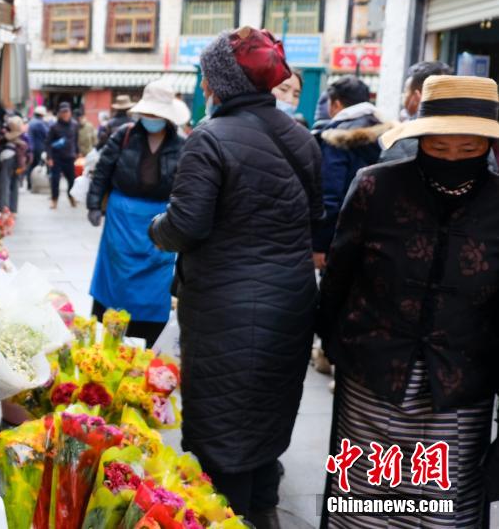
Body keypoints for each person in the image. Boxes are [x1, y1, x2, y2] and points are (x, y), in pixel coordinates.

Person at [148, 27, 323, 526]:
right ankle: (264, 507)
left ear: (220, 81)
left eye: (206, 76)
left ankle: (227, 514)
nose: (203, 86)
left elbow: (185, 226)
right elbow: (314, 218)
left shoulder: (210, 137)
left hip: (226, 305)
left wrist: (155, 227)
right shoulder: (300, 137)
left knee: (219, 419)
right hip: (290, 302)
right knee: (269, 406)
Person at [318, 75, 499, 528]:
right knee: (366, 507)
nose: (452, 159)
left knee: (442, 512)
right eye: (439, 149)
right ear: (420, 139)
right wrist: (333, 343)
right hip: (374, 378)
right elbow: (338, 276)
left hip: (460, 385)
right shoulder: (376, 187)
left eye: (468, 151)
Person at [86, 79, 186, 346]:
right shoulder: (124, 135)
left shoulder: (182, 145)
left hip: (161, 222)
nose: (152, 118)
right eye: (149, 113)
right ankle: (110, 335)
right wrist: (94, 204)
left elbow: (188, 184)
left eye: (157, 114)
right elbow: (103, 171)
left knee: (156, 281)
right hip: (121, 219)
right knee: (116, 278)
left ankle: (149, 337)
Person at [312, 76, 390, 268]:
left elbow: (330, 197)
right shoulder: (388, 133)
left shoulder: (336, 137)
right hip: (382, 235)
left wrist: (320, 245)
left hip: (343, 238)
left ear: (336, 104)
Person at [379, 61, 453, 163]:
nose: (403, 96)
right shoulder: (471, 135)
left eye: (406, 91)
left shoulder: (400, 139)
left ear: (418, 96)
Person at [45, 102, 79, 209]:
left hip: (70, 157)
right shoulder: (54, 127)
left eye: (67, 112)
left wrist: (77, 152)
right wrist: (49, 157)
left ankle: (71, 196)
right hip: (57, 157)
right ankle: (54, 199)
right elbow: (48, 143)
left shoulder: (74, 125)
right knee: (55, 180)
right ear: (59, 113)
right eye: (63, 112)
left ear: (70, 112)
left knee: (72, 180)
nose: (65, 114)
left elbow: (76, 140)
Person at [0, 116, 29, 214]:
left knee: (5, 184)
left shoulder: (6, 136)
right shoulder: (24, 137)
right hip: (19, 162)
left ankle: (4, 208)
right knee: (14, 184)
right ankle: (13, 209)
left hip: (8, 159)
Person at [27, 106, 50, 190]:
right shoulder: (40, 123)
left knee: (31, 165)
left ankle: (29, 184)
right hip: (39, 147)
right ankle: (35, 184)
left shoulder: (31, 122)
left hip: (31, 147)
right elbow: (47, 134)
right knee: (38, 165)